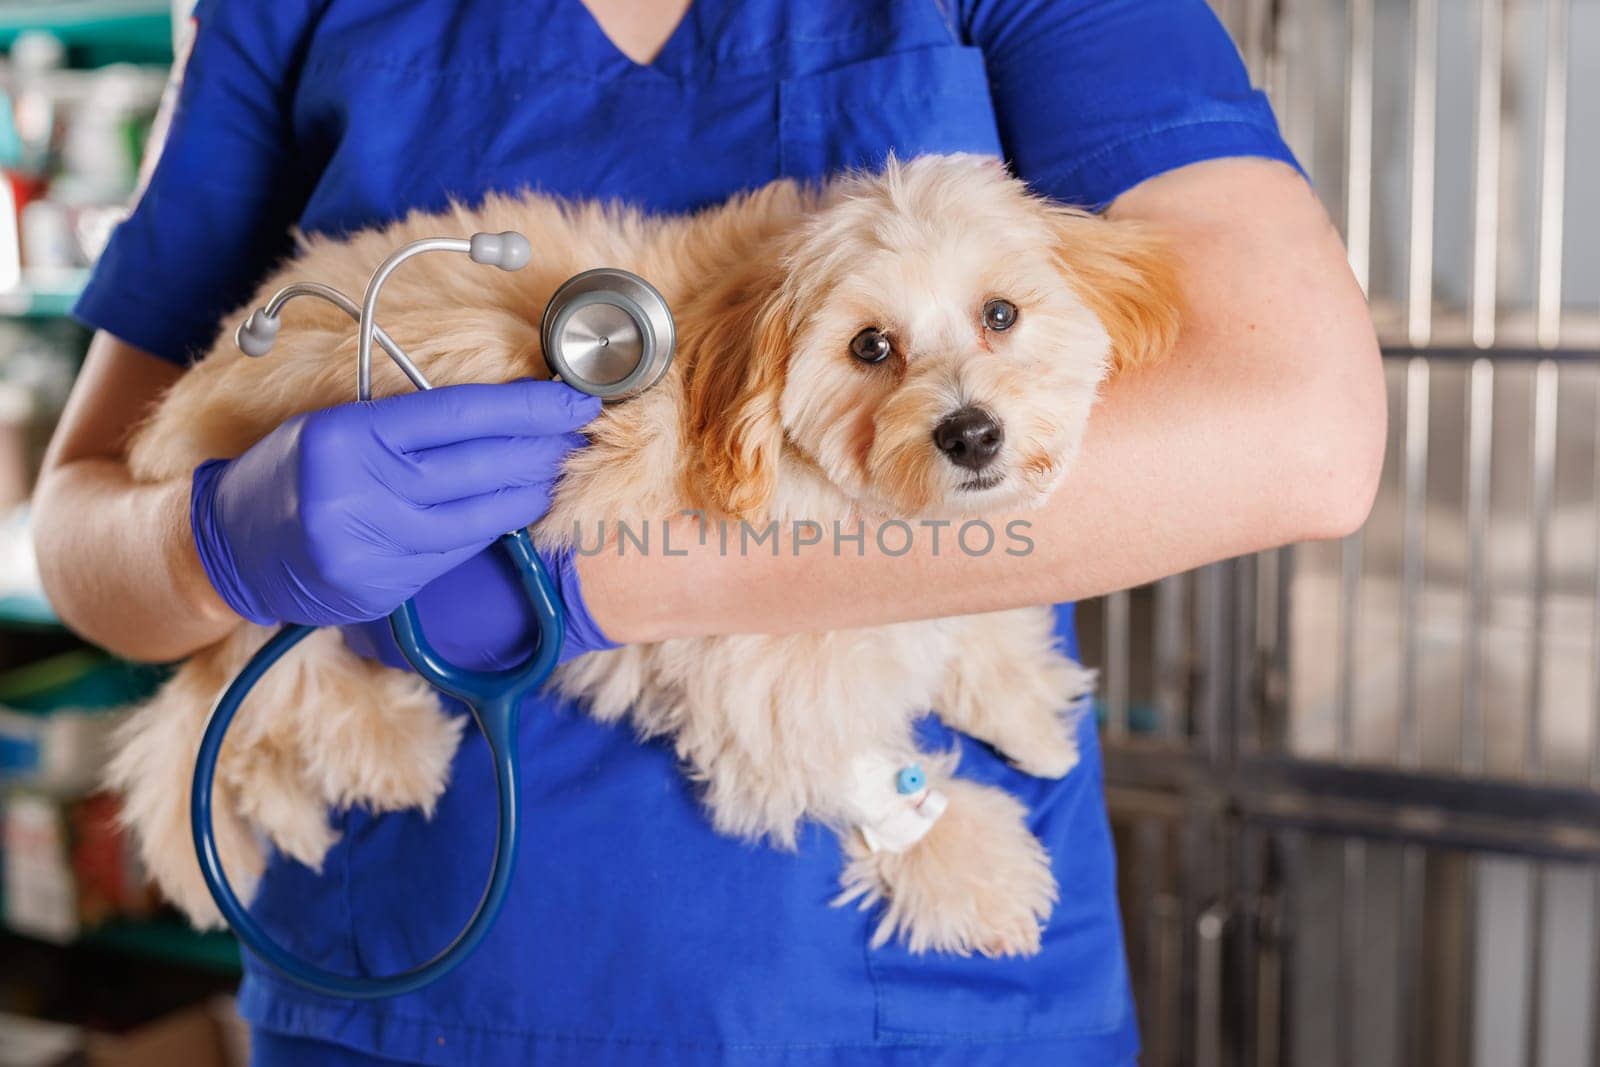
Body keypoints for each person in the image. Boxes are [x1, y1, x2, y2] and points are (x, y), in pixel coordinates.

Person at [31, 0, 1384, 1064]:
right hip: (406, 993)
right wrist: (212, 545)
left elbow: (1302, 434)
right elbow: (80, 525)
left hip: (899, 1010)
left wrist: (593, 586)